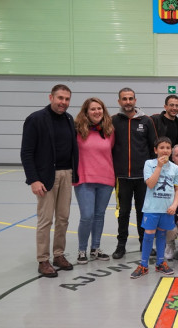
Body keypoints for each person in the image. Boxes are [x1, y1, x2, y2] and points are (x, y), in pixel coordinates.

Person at [21, 84, 78, 277]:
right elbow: (26, 152)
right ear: (51, 97)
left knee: (63, 218)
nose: (63, 102)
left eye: (67, 99)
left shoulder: (69, 119)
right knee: (45, 220)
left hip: (66, 174)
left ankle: (58, 255)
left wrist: (73, 174)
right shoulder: (36, 119)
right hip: (46, 177)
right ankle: (43, 260)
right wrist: (34, 179)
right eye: (60, 98)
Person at [111, 87, 157, 259]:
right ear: (119, 102)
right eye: (124, 99)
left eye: (130, 98)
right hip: (122, 177)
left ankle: (144, 243)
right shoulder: (114, 121)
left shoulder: (146, 121)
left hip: (142, 178)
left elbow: (153, 148)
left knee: (142, 212)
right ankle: (120, 245)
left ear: (135, 100)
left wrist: (152, 173)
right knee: (123, 213)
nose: (128, 102)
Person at [130, 137, 178, 278]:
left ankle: (160, 263)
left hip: (167, 209)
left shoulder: (175, 168)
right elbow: (151, 184)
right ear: (155, 150)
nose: (165, 150)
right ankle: (143, 265)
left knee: (161, 235)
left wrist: (174, 205)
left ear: (171, 150)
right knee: (149, 234)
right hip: (152, 208)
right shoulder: (149, 164)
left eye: (167, 147)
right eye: (161, 147)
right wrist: (159, 167)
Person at [74, 97, 115, 264]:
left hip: (106, 178)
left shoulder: (109, 131)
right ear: (86, 112)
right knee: (87, 215)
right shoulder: (77, 130)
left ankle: (95, 248)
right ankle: (82, 249)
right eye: (93, 109)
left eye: (100, 108)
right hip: (84, 178)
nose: (97, 112)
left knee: (99, 215)